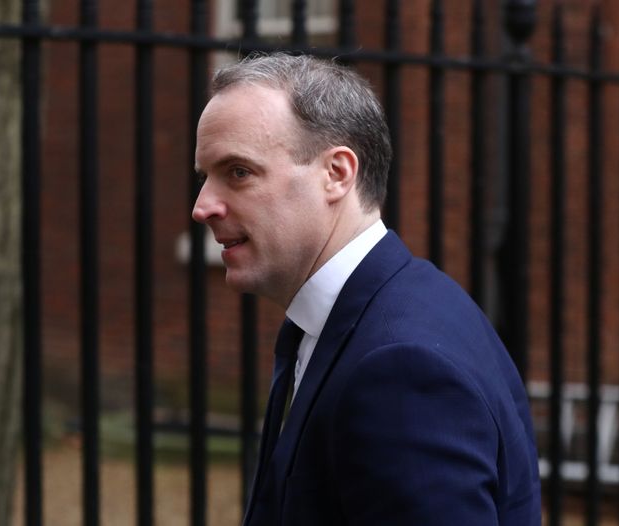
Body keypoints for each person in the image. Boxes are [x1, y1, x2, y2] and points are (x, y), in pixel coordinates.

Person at [192, 52, 541, 525]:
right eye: (205, 177)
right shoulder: (357, 316)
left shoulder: (401, 367)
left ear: (337, 174)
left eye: (238, 172)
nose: (203, 206)